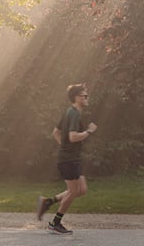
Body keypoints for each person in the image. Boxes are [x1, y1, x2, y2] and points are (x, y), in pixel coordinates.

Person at [36, 83, 97, 234]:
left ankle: (47, 202)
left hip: (70, 157)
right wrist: (89, 131)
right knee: (73, 191)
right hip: (69, 159)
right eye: (85, 96)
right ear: (77, 98)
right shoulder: (74, 114)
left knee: (81, 190)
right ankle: (55, 223)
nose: (87, 98)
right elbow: (73, 136)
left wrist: (64, 148)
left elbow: (55, 132)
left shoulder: (69, 112)